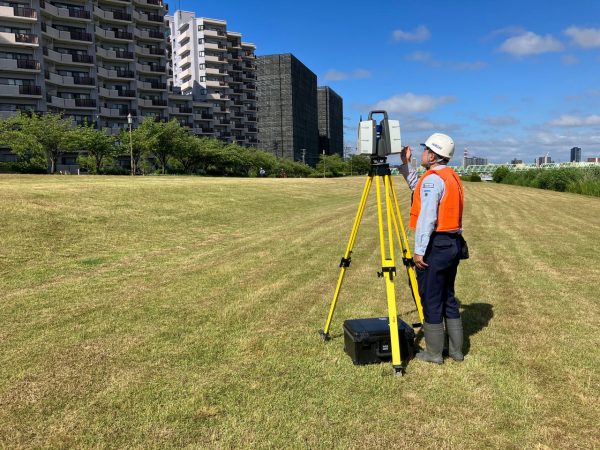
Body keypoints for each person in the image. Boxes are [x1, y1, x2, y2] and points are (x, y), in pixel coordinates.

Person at [399, 133, 465, 364]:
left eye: (425, 150)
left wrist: (419, 250)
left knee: (431, 298)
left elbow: (427, 217)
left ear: (434, 155)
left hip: (436, 245)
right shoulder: (448, 176)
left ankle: (434, 353)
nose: (422, 154)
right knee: (448, 296)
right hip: (453, 243)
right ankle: (456, 351)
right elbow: (420, 188)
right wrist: (406, 165)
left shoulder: (433, 179)